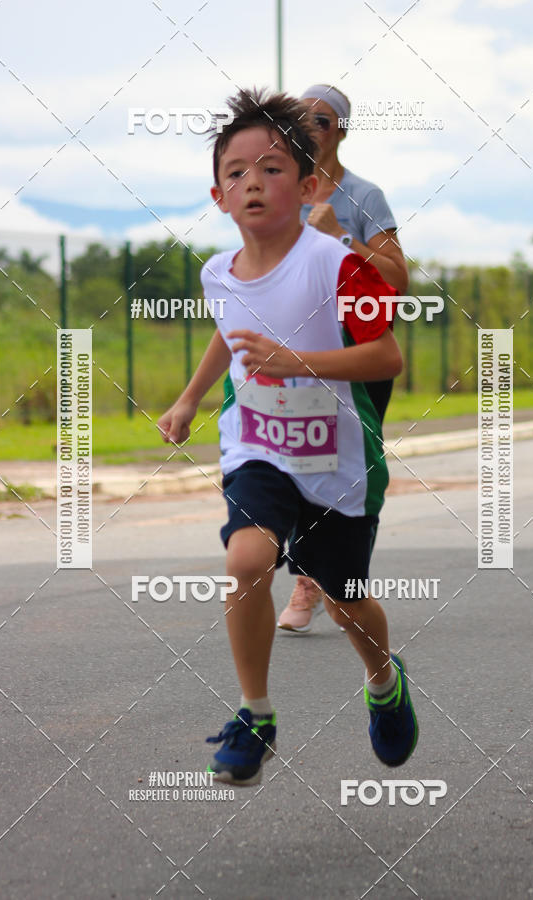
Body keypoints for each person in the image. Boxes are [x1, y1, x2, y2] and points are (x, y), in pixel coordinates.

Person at [158, 87, 418, 786]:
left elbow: (387, 357)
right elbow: (230, 333)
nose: (253, 182)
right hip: (259, 445)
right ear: (218, 196)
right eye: (236, 172)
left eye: (271, 169)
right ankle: (255, 714)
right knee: (247, 560)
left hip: (336, 459)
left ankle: (383, 682)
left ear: (306, 188)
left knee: (344, 600)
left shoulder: (339, 263)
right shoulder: (217, 272)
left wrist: (298, 361)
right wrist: (188, 399)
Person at [278, 84, 409, 633]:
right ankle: (310, 579)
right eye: (301, 118)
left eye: (323, 119)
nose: (311, 126)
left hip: (357, 355)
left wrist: (343, 239)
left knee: (348, 466)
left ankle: (336, 580)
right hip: (295, 349)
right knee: (297, 459)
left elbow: (398, 279)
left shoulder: (364, 196)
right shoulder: (281, 187)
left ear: (342, 130)